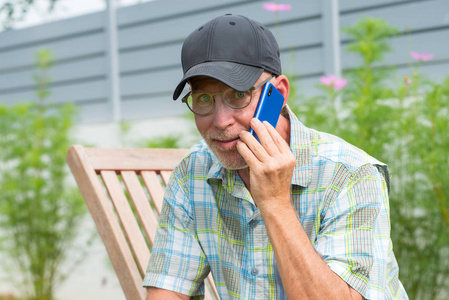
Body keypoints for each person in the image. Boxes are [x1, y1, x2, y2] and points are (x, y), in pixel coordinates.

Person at [143, 14, 408, 300]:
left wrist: (275, 204)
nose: (220, 121)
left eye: (238, 94)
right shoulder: (192, 173)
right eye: (204, 99)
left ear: (278, 93)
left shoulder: (350, 173)